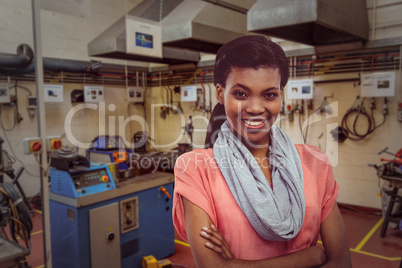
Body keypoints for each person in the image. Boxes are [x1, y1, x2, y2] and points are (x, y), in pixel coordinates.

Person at [172, 35, 352, 267]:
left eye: (269, 95)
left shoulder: (315, 162)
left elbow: (341, 262)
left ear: (280, 94)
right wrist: (310, 257)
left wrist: (236, 264)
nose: (256, 108)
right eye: (240, 94)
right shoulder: (195, 168)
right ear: (220, 93)